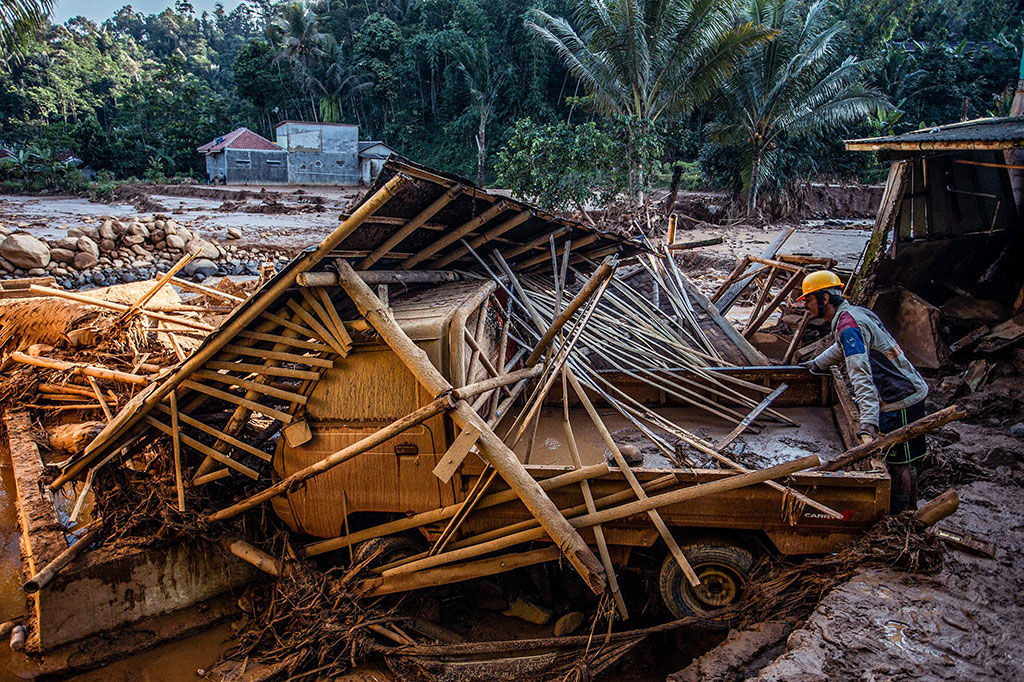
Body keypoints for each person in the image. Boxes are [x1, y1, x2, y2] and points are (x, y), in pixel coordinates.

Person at [797, 271, 929, 513]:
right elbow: (840, 349)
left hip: (900, 398)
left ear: (825, 298)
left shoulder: (848, 326)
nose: (806, 305)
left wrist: (868, 420)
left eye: (808, 300)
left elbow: (860, 374)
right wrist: (816, 365)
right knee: (901, 460)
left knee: (900, 463)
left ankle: (903, 517)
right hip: (901, 390)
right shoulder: (853, 314)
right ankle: (906, 504)